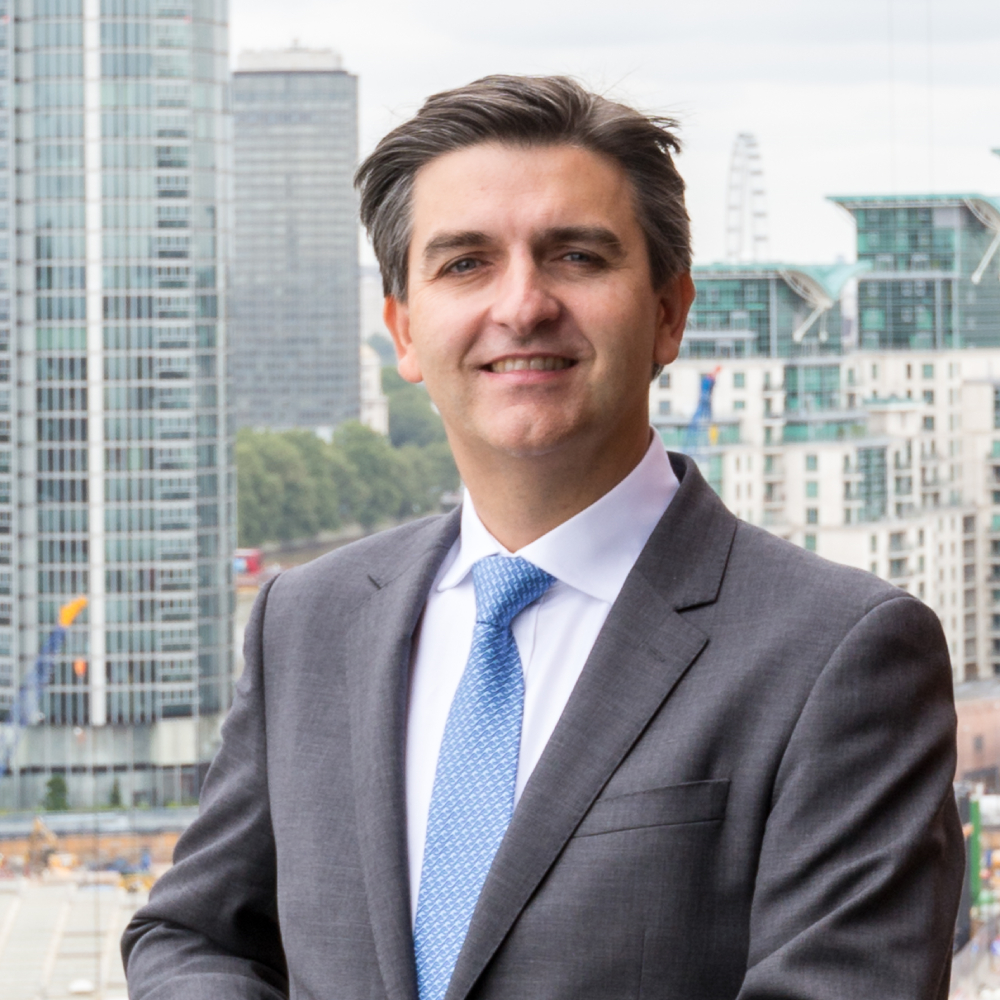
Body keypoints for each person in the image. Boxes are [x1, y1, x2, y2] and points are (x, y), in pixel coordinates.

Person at [123, 75, 963, 1000]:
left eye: (576, 257)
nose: (522, 306)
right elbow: (191, 935)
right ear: (403, 329)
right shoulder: (307, 621)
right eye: (465, 263)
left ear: (670, 313)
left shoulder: (839, 653)